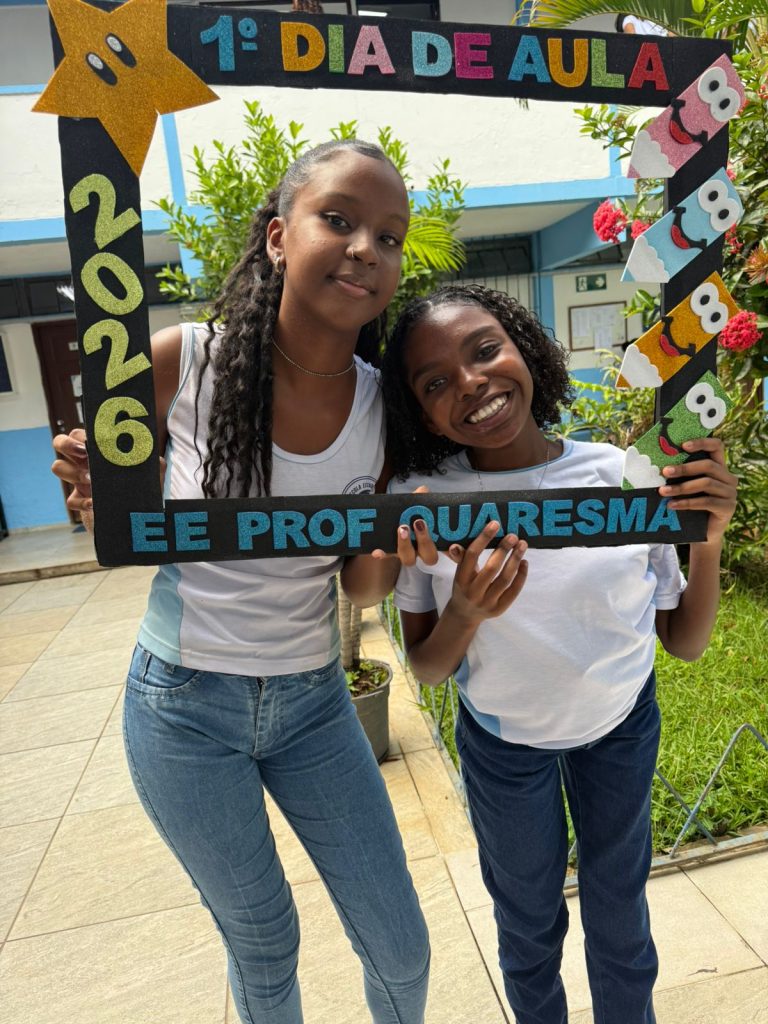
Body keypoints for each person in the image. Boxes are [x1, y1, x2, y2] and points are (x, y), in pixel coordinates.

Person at [51, 139, 432, 1024]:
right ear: (277, 237)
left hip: (314, 704)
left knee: (401, 947)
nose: (366, 249)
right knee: (263, 944)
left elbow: (362, 586)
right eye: (338, 219)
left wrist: (395, 545)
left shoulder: (384, 406)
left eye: (389, 236)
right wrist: (94, 492)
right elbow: (119, 520)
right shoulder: (182, 360)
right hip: (183, 708)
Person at [379, 283, 737, 1024]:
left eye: (486, 350)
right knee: (528, 923)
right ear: (417, 411)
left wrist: (708, 540)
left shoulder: (621, 478)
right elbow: (428, 668)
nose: (470, 382)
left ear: (526, 348)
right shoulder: (426, 504)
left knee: (621, 912)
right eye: (435, 383)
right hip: (503, 744)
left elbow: (685, 641)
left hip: (621, 726)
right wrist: (466, 612)